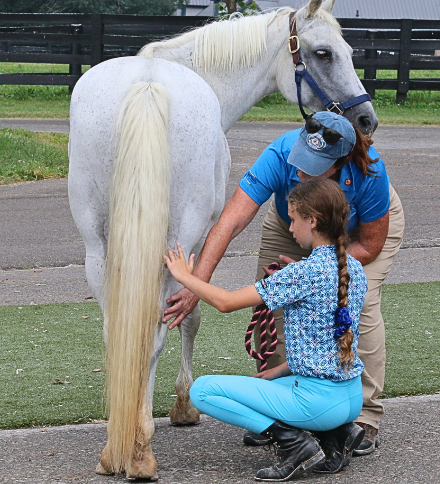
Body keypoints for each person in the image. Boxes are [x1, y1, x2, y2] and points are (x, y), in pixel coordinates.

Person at [164, 111, 405, 456]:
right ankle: (289, 412)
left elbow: (369, 245)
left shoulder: (371, 174)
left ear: (339, 163)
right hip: (293, 216)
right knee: (275, 306)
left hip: (362, 230)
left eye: (313, 166)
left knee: (357, 310)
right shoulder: (280, 154)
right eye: (301, 161)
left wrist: (312, 273)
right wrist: (195, 285)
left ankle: (363, 417)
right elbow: (230, 221)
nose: (301, 171)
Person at [164, 177, 367, 482]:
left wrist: (185, 277)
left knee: (202, 391)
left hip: (318, 403)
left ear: (312, 221)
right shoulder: (354, 267)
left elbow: (226, 302)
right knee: (269, 387)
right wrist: (280, 370)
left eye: (294, 219)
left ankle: (297, 445)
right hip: (351, 397)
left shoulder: (303, 271)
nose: (290, 228)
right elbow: (327, 341)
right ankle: (337, 436)